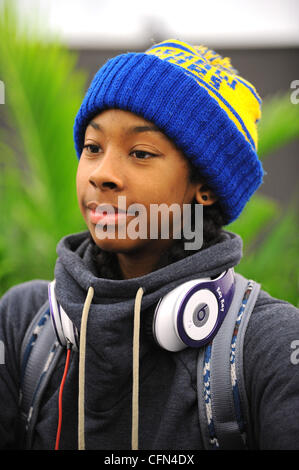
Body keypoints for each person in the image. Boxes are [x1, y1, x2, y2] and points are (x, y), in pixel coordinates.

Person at [0, 39, 298, 451]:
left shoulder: (273, 345)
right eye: (92, 148)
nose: (101, 174)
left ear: (205, 187)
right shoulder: (22, 325)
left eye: (140, 152)